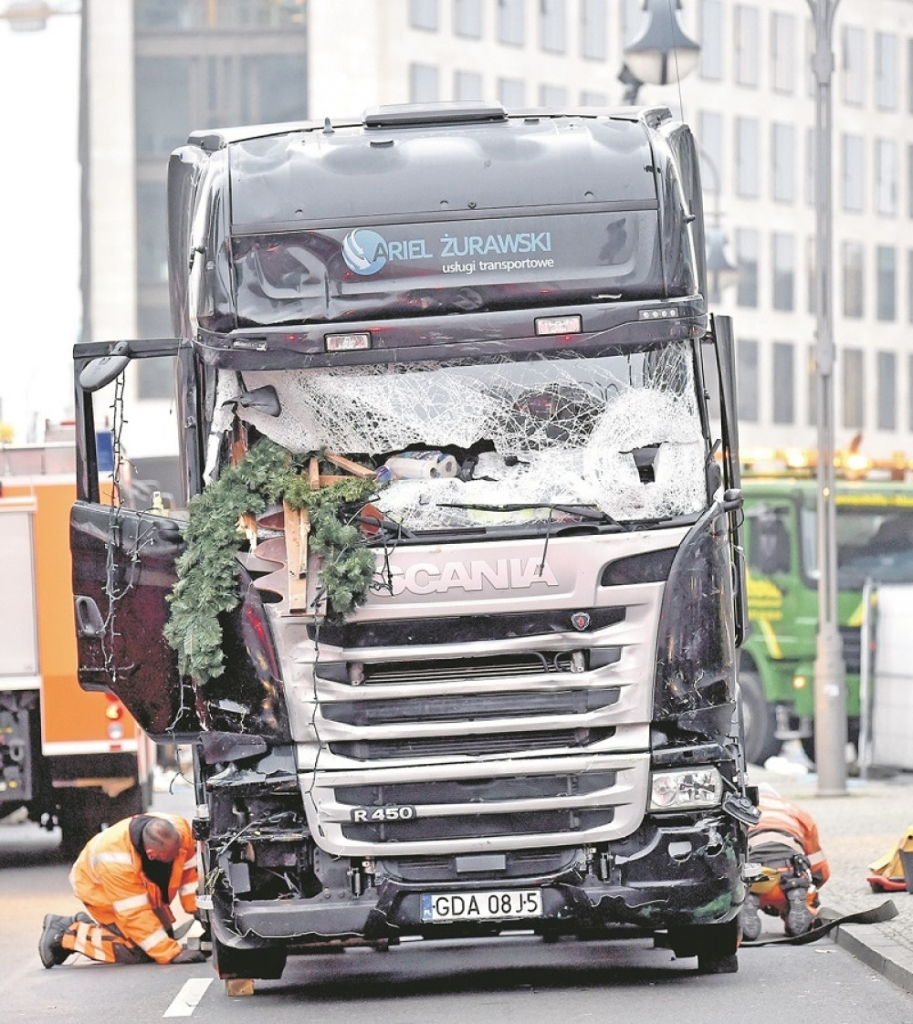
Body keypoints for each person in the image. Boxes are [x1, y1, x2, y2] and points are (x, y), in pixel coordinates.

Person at [38, 812, 206, 968]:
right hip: (99, 890)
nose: (178, 854)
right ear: (151, 854)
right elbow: (135, 914)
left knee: (162, 937)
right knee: (139, 950)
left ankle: (94, 929)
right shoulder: (115, 861)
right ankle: (65, 933)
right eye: (172, 854)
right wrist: (171, 953)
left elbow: (189, 873)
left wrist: (201, 913)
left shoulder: (179, 830)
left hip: (140, 887)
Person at [740, 785, 830, 941]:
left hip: (756, 875)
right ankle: (794, 910)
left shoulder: (740, 809)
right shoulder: (795, 810)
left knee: (744, 882)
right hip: (790, 875)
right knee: (801, 889)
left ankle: (748, 900)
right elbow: (819, 867)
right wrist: (813, 887)